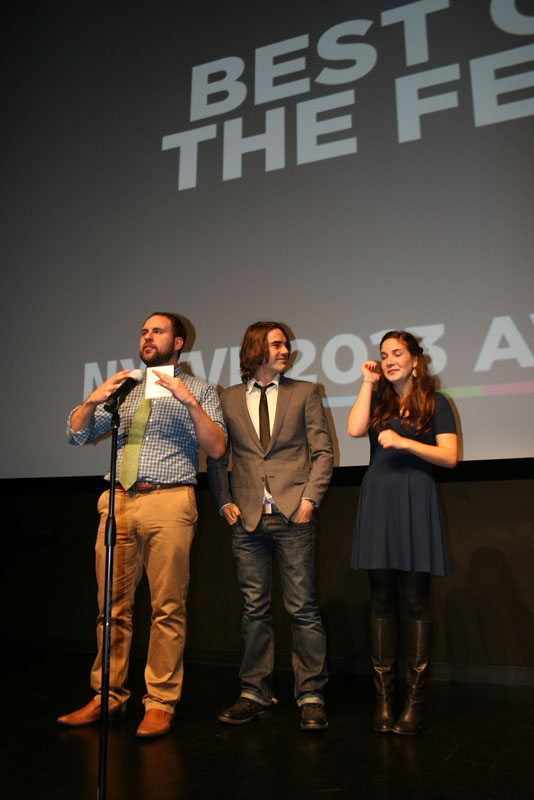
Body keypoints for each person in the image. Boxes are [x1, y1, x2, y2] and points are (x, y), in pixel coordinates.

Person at [57, 312, 226, 738]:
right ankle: (107, 696)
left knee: (167, 608)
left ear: (179, 342)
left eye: (157, 331)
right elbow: (76, 434)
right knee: (110, 609)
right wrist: (94, 399)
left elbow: (218, 447)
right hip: (117, 502)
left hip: (169, 500)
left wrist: (187, 400)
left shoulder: (202, 390)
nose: (148, 337)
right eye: (144, 331)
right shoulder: (125, 390)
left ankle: (161, 702)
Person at [207, 322, 333, 731]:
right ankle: (254, 693)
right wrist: (224, 500)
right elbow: (215, 456)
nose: (286, 350)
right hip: (246, 519)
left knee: (302, 608)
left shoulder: (305, 393)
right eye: (278, 344)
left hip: (293, 515)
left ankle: (310, 694)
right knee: (254, 610)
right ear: (257, 348)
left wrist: (309, 501)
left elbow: (323, 451)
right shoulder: (225, 398)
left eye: (286, 344)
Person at [347, 330, 458, 735]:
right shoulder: (376, 398)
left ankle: (414, 703)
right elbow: (356, 430)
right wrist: (367, 381)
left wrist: (406, 443)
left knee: (414, 600)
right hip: (379, 500)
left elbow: (449, 457)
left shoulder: (436, 401)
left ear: (415, 359)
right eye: (384, 355)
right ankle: (383, 702)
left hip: (416, 500)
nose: (390, 359)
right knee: (380, 599)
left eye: (397, 353)